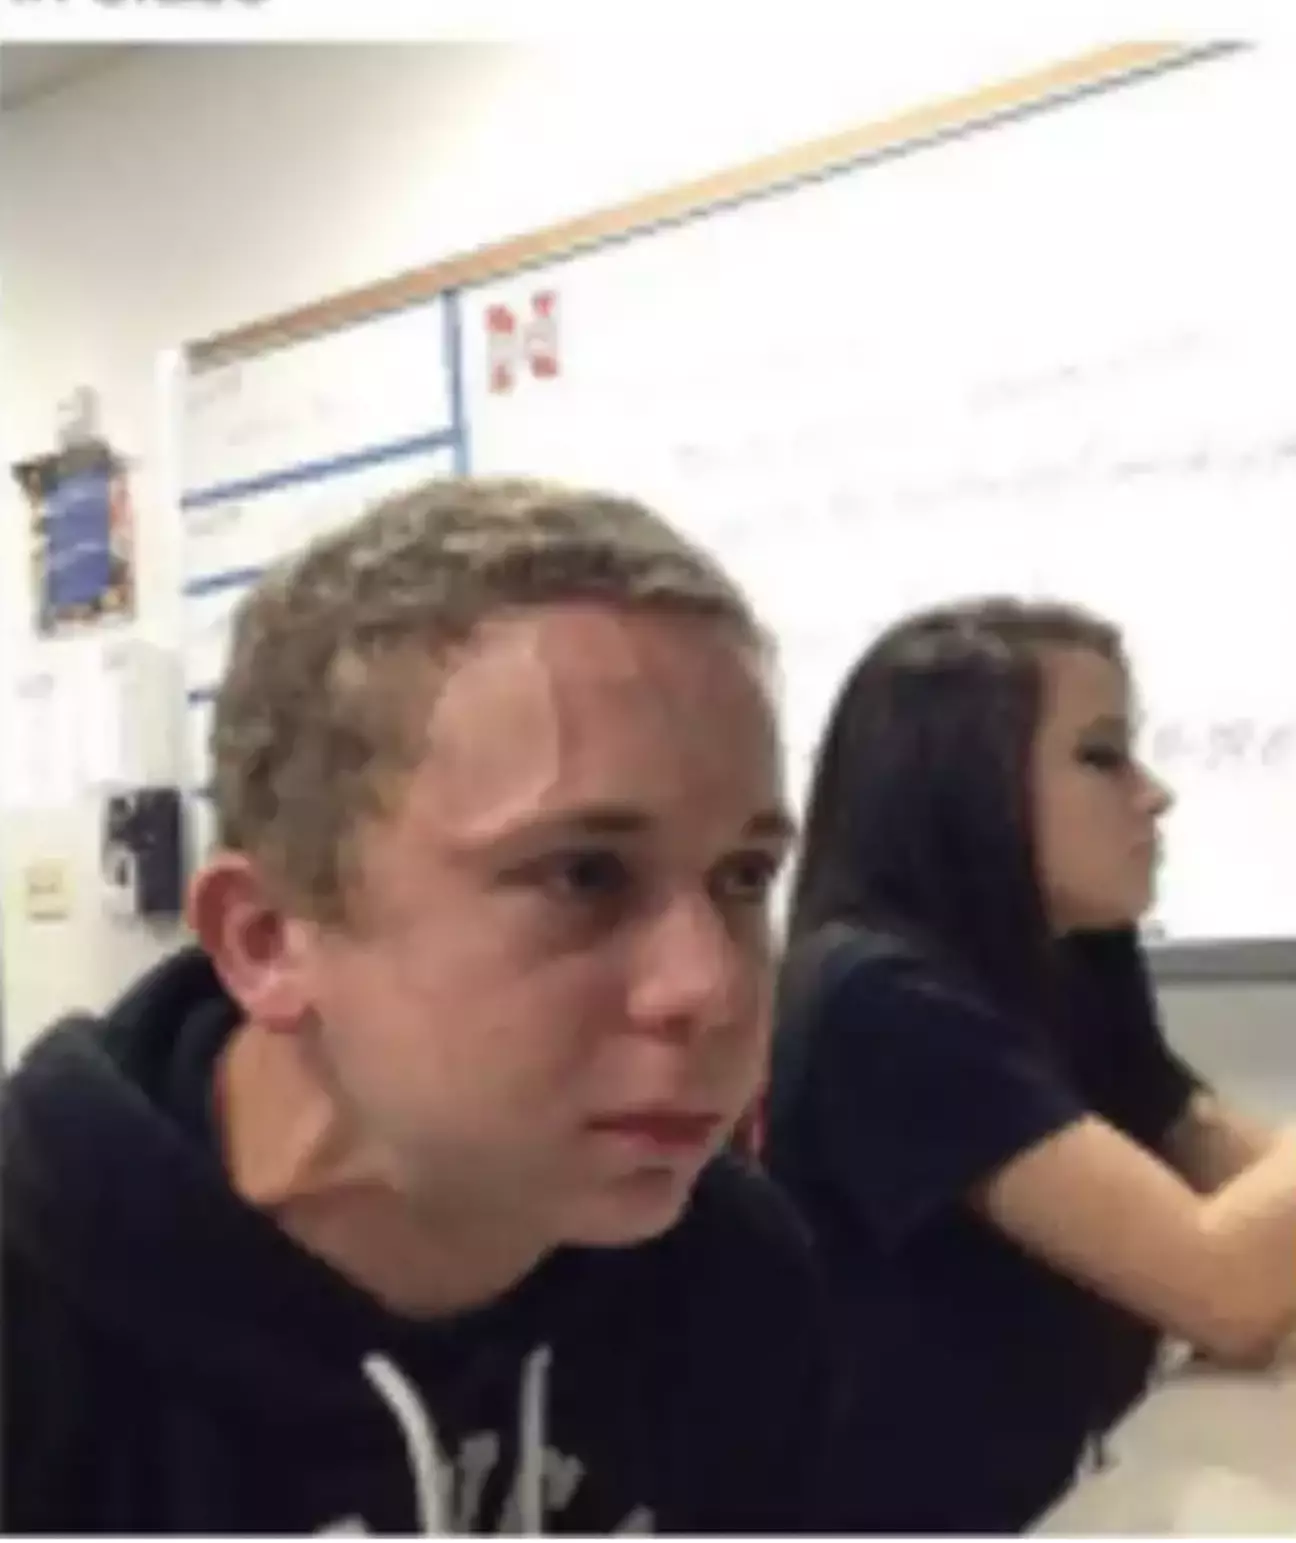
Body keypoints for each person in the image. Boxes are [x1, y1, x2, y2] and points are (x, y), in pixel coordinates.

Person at [3, 476, 858, 1535]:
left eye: (743, 876)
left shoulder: (729, 1278)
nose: (712, 986)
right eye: (584, 874)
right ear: (267, 940)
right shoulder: (37, 1333)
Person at [762, 598, 1296, 1534]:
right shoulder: (874, 997)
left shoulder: (1071, 963)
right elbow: (1224, 1293)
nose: (1155, 794)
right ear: (962, 783)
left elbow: (1223, 1167)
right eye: (1103, 755)